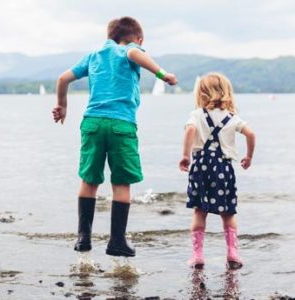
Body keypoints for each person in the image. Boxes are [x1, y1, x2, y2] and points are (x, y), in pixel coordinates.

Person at [52, 17, 178, 257]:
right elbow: (134, 55)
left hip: (92, 123)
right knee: (121, 183)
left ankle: (83, 238)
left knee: (89, 181)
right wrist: (163, 75)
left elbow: (62, 79)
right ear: (138, 40)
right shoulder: (130, 49)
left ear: (108, 36)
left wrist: (62, 105)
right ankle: (117, 241)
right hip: (121, 124)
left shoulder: (93, 55)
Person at [179, 73, 255, 269]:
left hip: (201, 166)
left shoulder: (197, 114)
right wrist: (249, 156)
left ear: (201, 93)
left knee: (199, 211)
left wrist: (186, 155)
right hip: (223, 167)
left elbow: (189, 131)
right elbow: (250, 133)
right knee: (228, 212)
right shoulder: (232, 117)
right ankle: (232, 253)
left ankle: (197, 256)